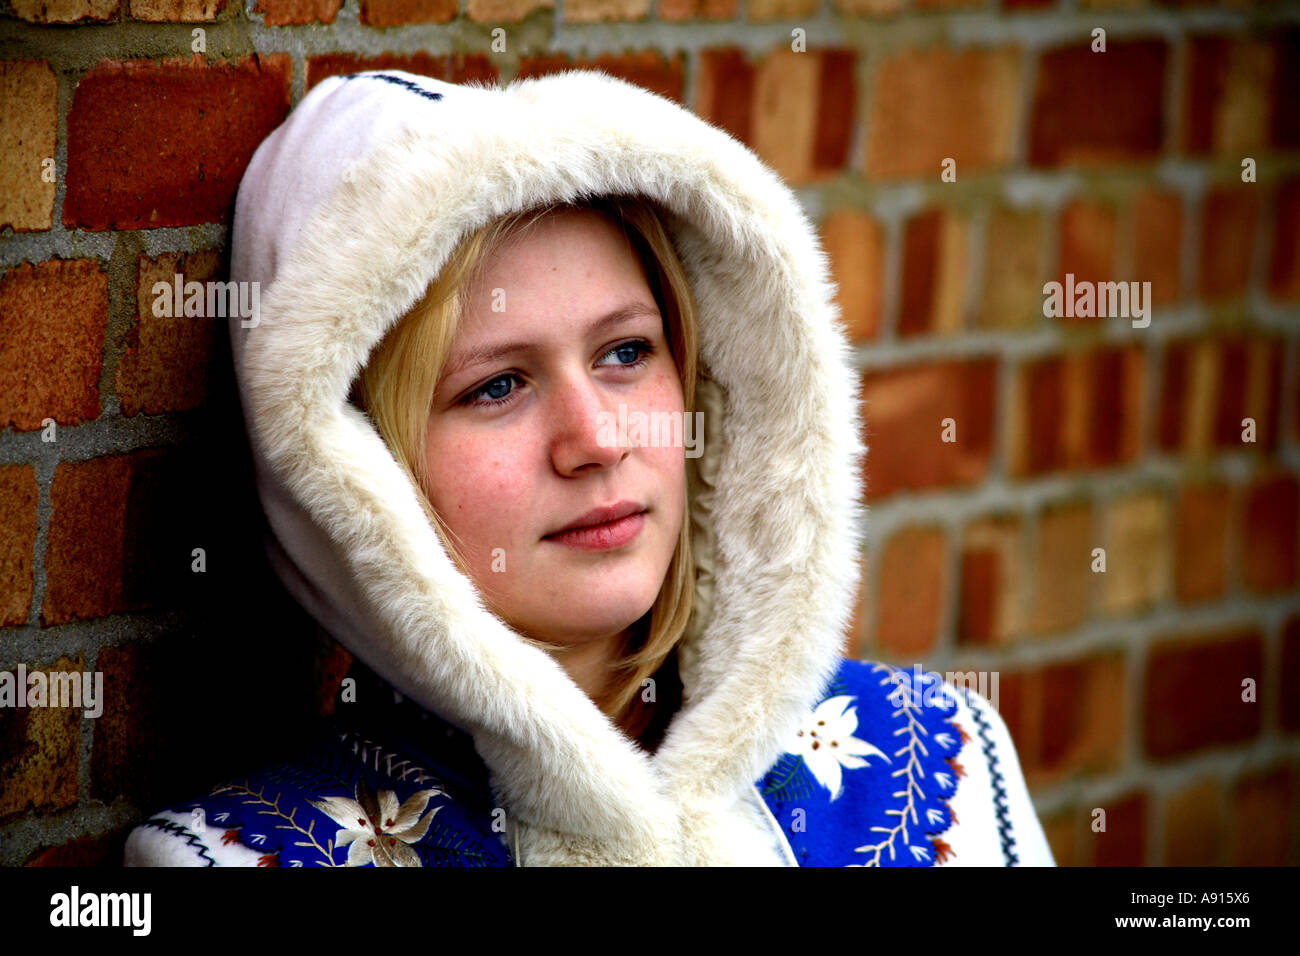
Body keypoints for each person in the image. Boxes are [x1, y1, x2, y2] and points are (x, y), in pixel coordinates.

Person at [123, 68, 1054, 867]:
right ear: (352, 475)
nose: (598, 439)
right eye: (496, 387)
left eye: (624, 353)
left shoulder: (936, 759)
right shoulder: (240, 855)